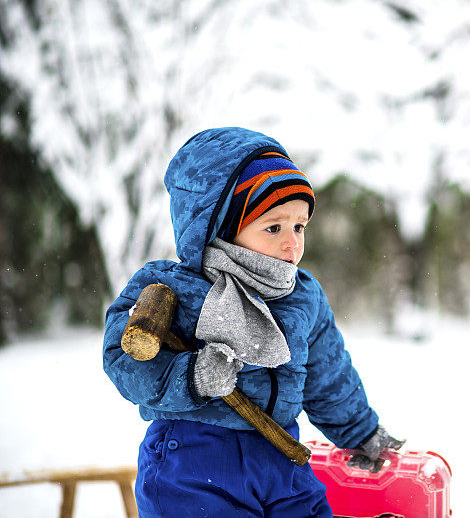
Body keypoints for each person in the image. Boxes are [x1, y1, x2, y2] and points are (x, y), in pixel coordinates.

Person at [103, 127, 403, 517]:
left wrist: (361, 432)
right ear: (220, 226)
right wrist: (191, 376)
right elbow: (124, 359)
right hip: (194, 464)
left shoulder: (303, 296)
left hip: (281, 455)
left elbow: (328, 376)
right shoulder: (172, 287)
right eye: (274, 227)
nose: (292, 242)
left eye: (299, 227)